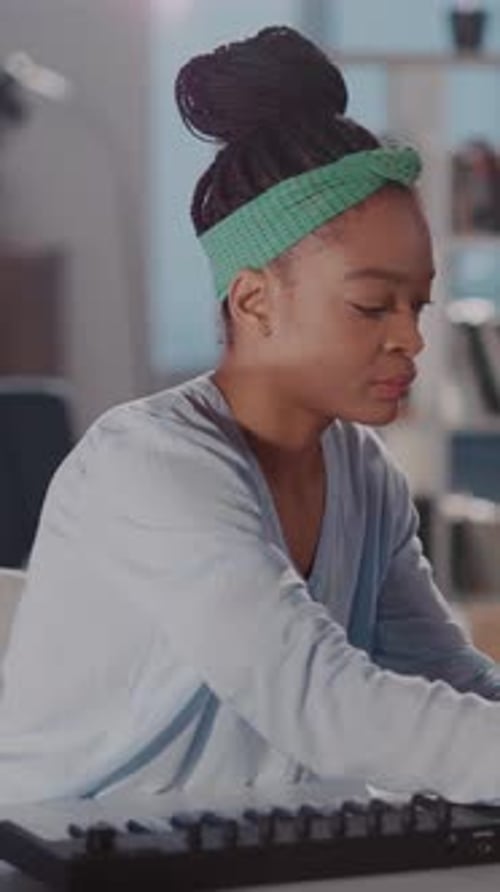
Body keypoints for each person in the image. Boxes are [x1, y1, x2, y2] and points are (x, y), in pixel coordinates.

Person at [1, 25, 500, 807]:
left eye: (417, 304)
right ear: (254, 299)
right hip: (64, 861)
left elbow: (444, 675)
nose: (410, 336)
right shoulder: (149, 464)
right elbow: (323, 702)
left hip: (258, 856)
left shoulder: (363, 474)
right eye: (373, 305)